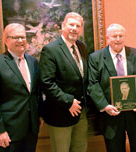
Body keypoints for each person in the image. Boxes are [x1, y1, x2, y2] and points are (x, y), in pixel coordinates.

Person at [88, 23, 136, 152]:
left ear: (125, 37)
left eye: (120, 36)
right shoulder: (96, 58)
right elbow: (93, 84)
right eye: (114, 36)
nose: (117, 39)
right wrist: (105, 106)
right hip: (111, 114)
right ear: (107, 38)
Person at [0, 23, 41, 152]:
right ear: (6, 40)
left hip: (31, 130)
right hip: (8, 132)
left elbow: (35, 93)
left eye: (23, 37)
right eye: (15, 37)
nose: (20, 41)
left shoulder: (33, 62)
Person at [39, 12, 88, 152]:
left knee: (80, 149)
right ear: (63, 26)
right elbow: (47, 82)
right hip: (61, 113)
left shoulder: (82, 47)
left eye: (78, 26)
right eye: (71, 24)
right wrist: (68, 102)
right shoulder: (51, 50)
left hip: (81, 113)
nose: (74, 28)